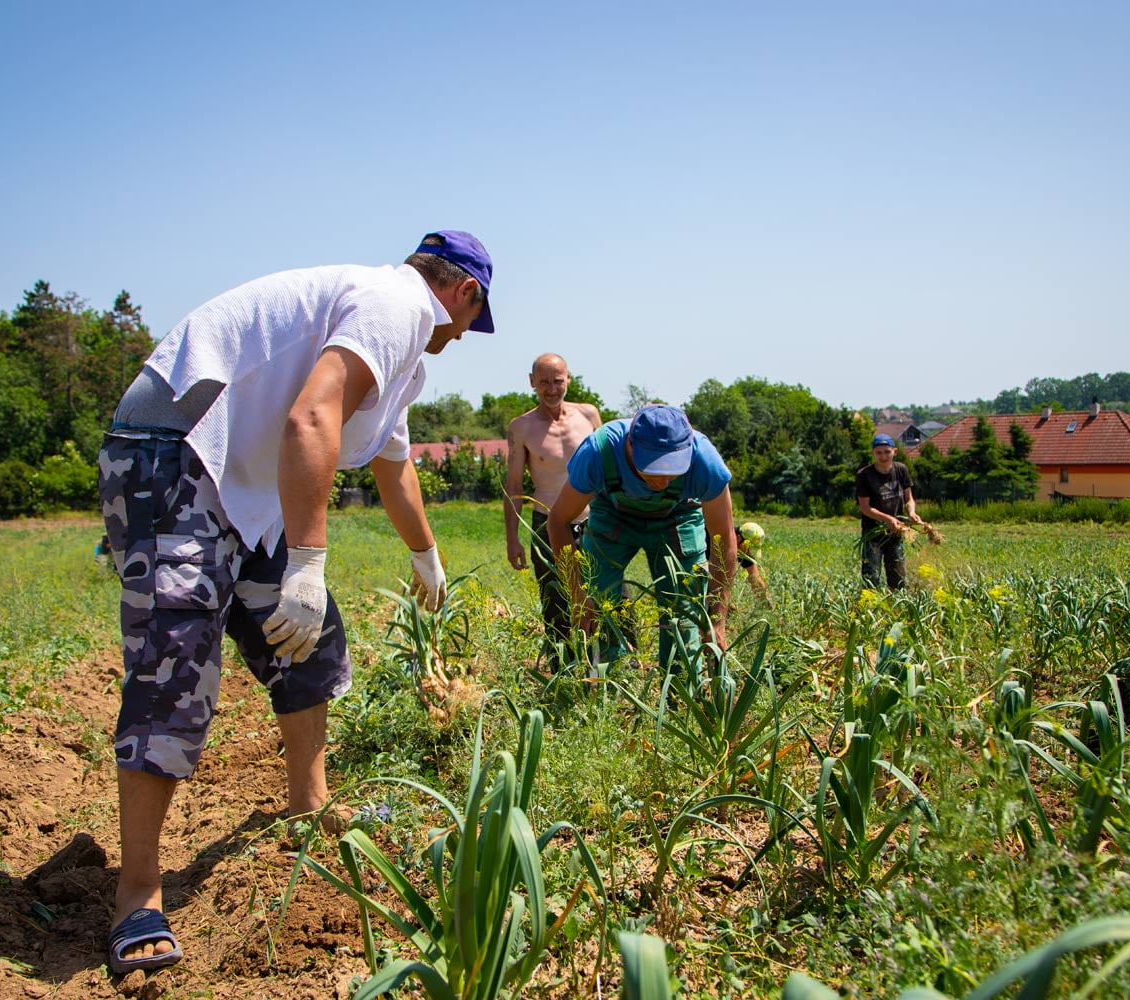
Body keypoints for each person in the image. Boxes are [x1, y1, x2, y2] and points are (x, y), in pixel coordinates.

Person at [96, 231, 495, 974]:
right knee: (175, 661)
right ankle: (138, 895)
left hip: (240, 485)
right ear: (463, 294)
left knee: (312, 643)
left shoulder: (398, 355)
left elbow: (392, 463)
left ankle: (308, 808)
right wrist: (306, 565)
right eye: (474, 320)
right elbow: (310, 420)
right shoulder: (395, 303)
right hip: (171, 452)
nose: (465, 336)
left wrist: (425, 554)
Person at [547, 404, 737, 671]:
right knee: (599, 608)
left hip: (678, 518)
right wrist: (578, 595)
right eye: (653, 468)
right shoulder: (598, 453)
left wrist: (717, 619)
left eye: (673, 469)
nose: (663, 480)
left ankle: (678, 700)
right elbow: (557, 520)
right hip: (614, 516)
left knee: (684, 615)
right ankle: (607, 692)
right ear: (630, 445)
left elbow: (724, 540)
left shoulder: (705, 462)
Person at [502, 354, 603, 664]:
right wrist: (512, 539)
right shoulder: (521, 427)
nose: (551, 388)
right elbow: (515, 486)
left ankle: (612, 672)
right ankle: (564, 672)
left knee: (609, 596)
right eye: (543, 381)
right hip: (547, 524)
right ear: (532, 381)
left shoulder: (589, 416)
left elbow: (605, 470)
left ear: (568, 379)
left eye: (557, 381)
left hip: (594, 522)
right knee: (557, 602)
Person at [856, 432, 920, 591]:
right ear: (873, 453)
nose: (883, 456)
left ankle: (896, 607)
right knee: (871, 576)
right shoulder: (864, 475)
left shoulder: (901, 470)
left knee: (897, 576)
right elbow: (865, 507)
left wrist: (911, 512)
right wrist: (887, 519)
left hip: (896, 532)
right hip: (873, 534)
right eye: (879, 452)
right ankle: (870, 608)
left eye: (887, 452)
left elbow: (908, 498)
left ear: (895, 452)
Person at [736, 521, 770, 601]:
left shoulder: (743, 549)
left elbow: (755, 579)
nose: (748, 553)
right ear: (738, 538)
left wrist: (770, 607)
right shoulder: (715, 540)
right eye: (748, 548)